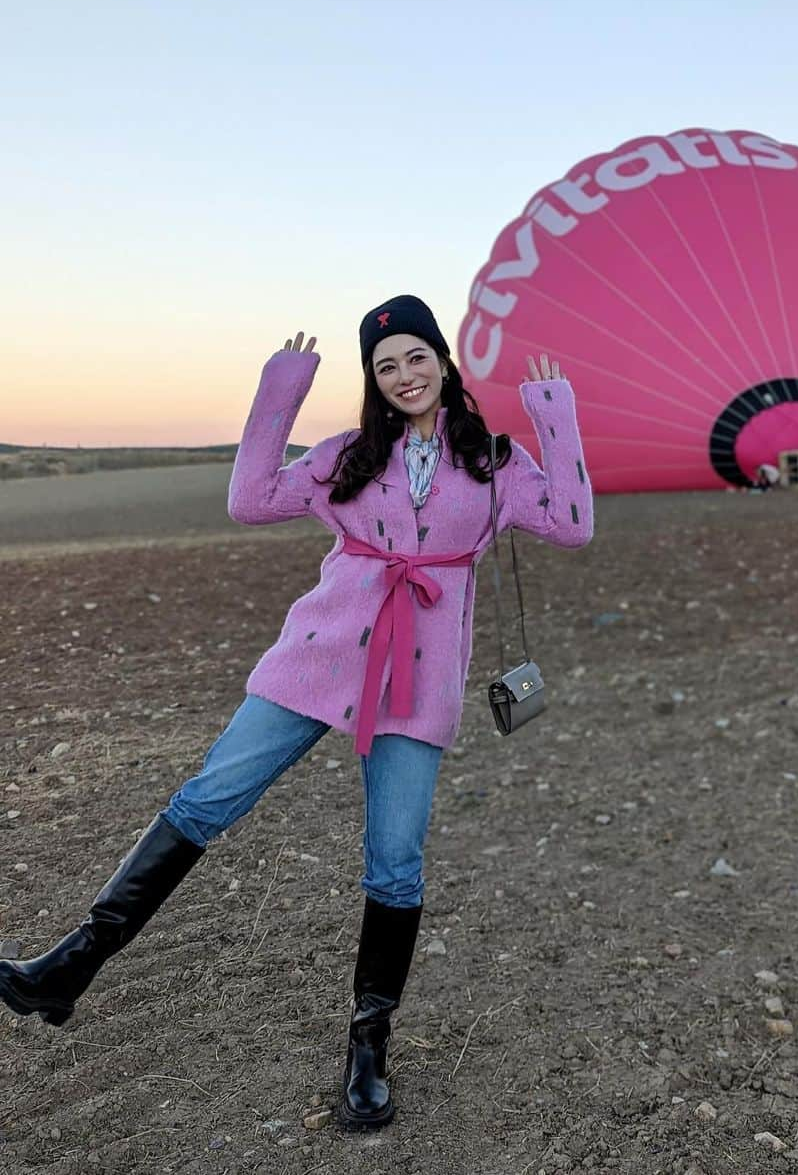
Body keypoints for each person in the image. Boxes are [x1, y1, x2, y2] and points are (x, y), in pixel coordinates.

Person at [0, 294, 593, 1131]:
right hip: (312, 664)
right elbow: (250, 500)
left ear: (442, 362)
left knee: (394, 863)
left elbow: (572, 525)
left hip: (415, 689)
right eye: (385, 367)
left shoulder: (496, 460)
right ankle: (70, 966)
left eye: (415, 358)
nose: (403, 376)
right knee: (204, 801)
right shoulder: (347, 454)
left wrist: (552, 415)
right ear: (372, 382)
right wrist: (281, 391)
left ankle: (368, 1048)